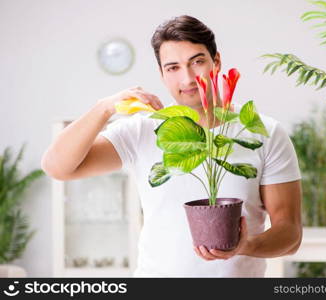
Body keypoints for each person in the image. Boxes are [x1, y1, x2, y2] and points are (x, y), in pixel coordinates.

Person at [41, 15, 303, 277]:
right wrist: (105, 107)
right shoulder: (142, 131)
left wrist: (247, 245)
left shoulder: (265, 133)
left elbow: (290, 233)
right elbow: (57, 167)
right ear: (162, 74)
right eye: (173, 67)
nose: (187, 78)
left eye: (197, 62)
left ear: (217, 62)